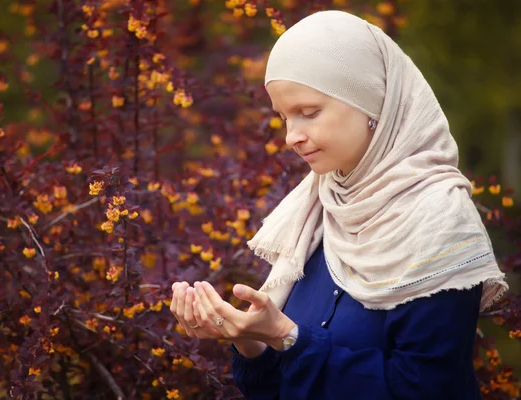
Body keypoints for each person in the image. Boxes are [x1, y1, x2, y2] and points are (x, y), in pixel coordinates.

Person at [170, 10, 508, 400]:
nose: (290, 137)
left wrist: (287, 335)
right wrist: (252, 340)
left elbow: (427, 388)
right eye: (283, 117)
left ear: (372, 103)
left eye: (308, 113)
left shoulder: (439, 219)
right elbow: (277, 390)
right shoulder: (318, 209)